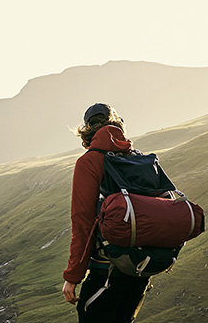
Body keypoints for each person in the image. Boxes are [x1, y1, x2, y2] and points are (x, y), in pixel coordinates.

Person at [62, 103, 150, 322]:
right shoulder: (137, 158)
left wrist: (73, 276)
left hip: (107, 270)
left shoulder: (89, 162)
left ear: (86, 130)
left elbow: (82, 222)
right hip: (141, 266)